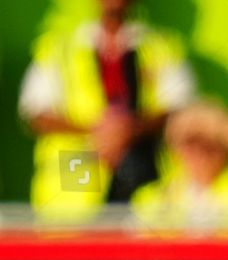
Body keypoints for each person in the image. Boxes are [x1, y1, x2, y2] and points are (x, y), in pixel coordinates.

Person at [19, 0, 195, 218]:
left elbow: (182, 108)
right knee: (75, 247)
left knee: (146, 244)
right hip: (73, 187)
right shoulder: (60, 48)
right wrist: (97, 131)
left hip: (147, 184)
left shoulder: (161, 47)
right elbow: (36, 114)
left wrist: (130, 129)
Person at [130, 101, 228, 227]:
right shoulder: (156, 197)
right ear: (174, 148)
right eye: (190, 141)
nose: (200, 150)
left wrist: (222, 128)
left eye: (209, 141)